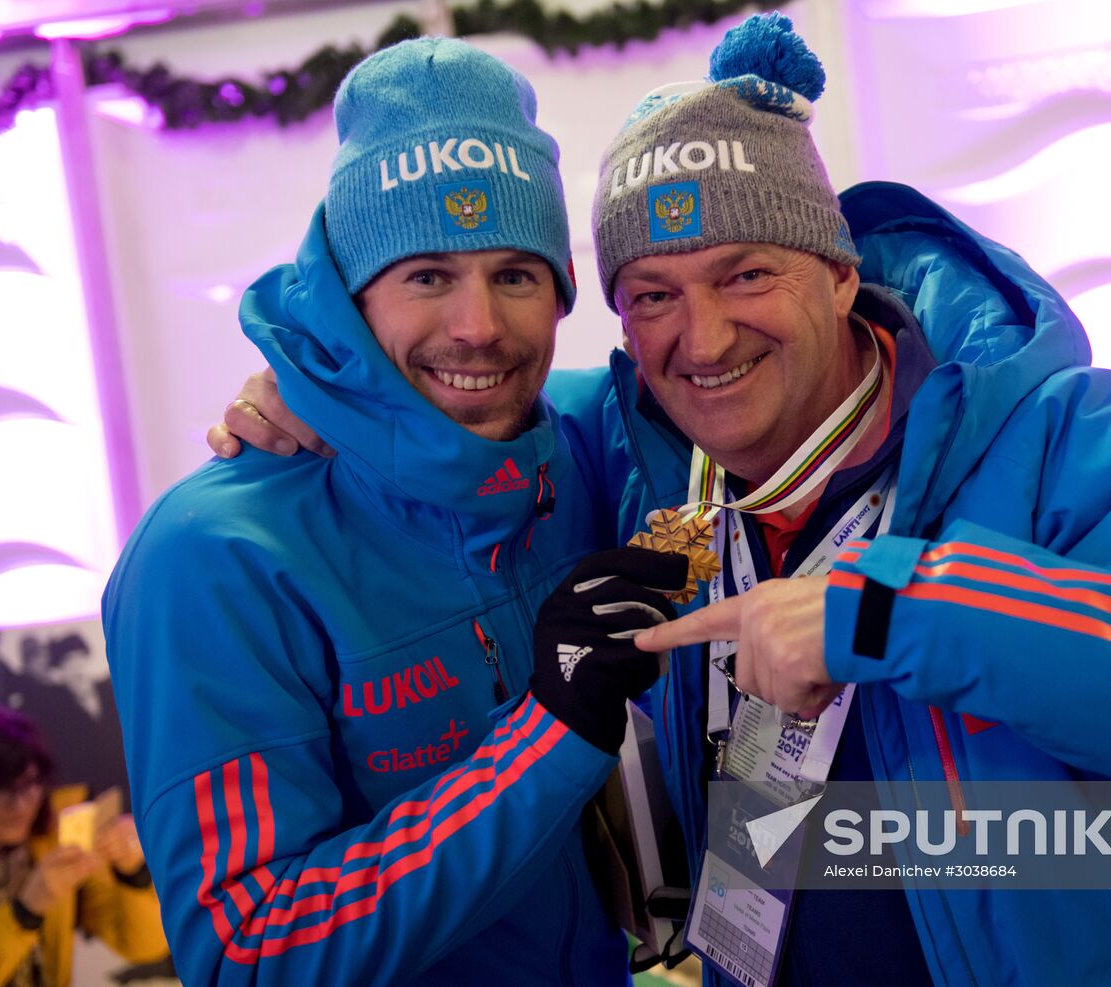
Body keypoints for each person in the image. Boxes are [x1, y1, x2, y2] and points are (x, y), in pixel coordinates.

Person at [211, 13, 1111, 985]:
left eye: (744, 274)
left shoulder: (1058, 435)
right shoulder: (640, 456)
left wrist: (896, 613)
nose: (699, 339)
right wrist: (325, 393)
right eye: (651, 294)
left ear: (842, 273)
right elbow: (452, 396)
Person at [103, 37, 685, 985]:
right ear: (350, 297)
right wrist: (548, 737)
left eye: (515, 273)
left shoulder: (584, 439)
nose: (479, 326)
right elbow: (250, 950)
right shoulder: (211, 559)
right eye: (427, 274)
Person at [0, 703, 167, 987]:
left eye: (29, 784)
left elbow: (144, 946)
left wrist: (133, 873)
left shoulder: (58, 833)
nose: (19, 805)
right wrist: (26, 912)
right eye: (1, 789)